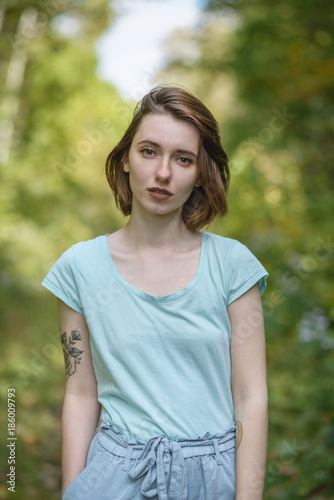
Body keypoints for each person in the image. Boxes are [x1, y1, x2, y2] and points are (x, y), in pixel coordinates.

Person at [42, 85, 269, 500]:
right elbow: (80, 392)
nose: (163, 173)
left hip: (211, 478)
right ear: (126, 159)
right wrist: (74, 490)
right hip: (113, 475)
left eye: (183, 159)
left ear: (201, 172)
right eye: (149, 151)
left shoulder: (233, 266)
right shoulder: (80, 267)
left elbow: (250, 397)